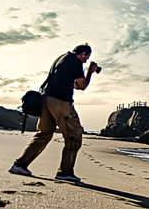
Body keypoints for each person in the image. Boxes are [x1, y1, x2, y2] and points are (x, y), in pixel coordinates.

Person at [9, 44, 98, 182]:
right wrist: (90, 72)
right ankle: (65, 172)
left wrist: (76, 82)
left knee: (43, 134)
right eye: (86, 58)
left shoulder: (61, 58)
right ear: (83, 54)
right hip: (60, 102)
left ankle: (19, 165)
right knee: (74, 136)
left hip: (46, 99)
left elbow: (71, 83)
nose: (86, 61)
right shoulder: (75, 61)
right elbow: (82, 86)